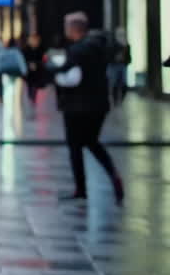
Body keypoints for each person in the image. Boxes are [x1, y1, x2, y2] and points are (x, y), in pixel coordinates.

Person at [52, 12, 124, 202]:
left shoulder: (77, 50)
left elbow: (67, 73)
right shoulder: (100, 47)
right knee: (92, 142)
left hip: (76, 106)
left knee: (75, 146)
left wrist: (52, 69)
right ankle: (113, 175)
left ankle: (80, 189)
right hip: (99, 104)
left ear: (73, 28)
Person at [0, 38, 29, 107]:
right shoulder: (17, 52)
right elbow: (21, 62)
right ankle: (14, 102)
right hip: (16, 73)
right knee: (15, 90)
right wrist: (24, 71)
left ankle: (7, 101)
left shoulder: (2, 52)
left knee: (6, 89)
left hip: (5, 73)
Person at [22, 33, 47, 106]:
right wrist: (29, 64)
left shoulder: (41, 49)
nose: (34, 41)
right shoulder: (26, 49)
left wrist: (38, 64)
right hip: (29, 71)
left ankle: (33, 97)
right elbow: (23, 59)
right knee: (30, 85)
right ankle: (31, 97)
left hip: (38, 70)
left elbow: (44, 59)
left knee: (35, 85)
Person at [108, 28, 131, 106]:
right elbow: (109, 55)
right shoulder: (112, 44)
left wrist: (126, 60)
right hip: (114, 66)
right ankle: (115, 100)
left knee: (123, 83)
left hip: (123, 65)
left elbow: (129, 57)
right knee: (114, 83)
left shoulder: (126, 44)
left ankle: (121, 99)